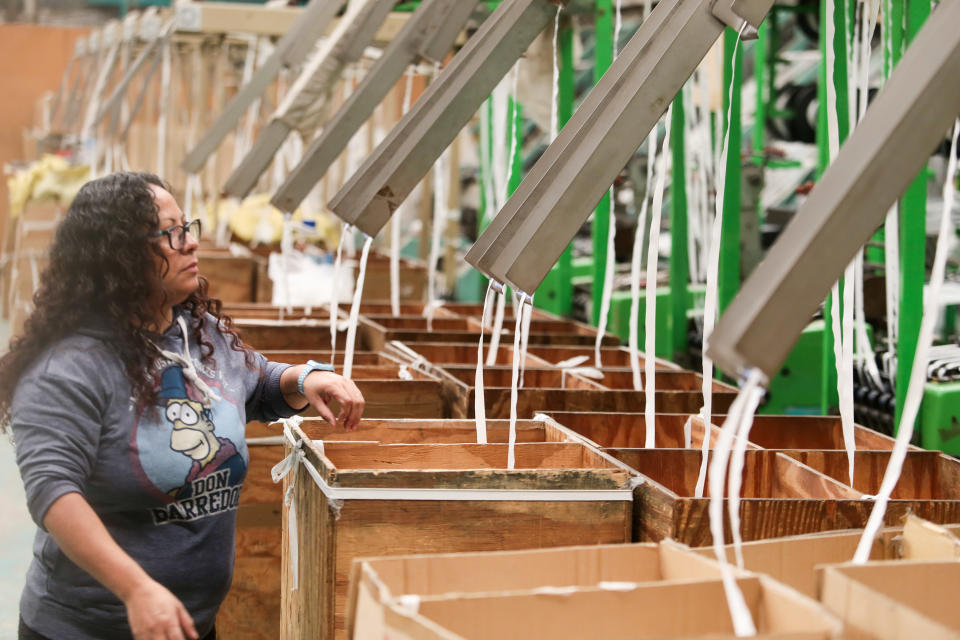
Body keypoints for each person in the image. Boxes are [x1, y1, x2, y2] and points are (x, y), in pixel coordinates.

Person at [0, 172, 364, 640]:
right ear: (119, 255)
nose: (190, 243)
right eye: (170, 234)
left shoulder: (197, 331)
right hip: (92, 627)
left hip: (187, 623)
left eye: (186, 227)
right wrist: (135, 590)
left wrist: (306, 377)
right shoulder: (69, 368)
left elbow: (255, 384)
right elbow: (53, 492)